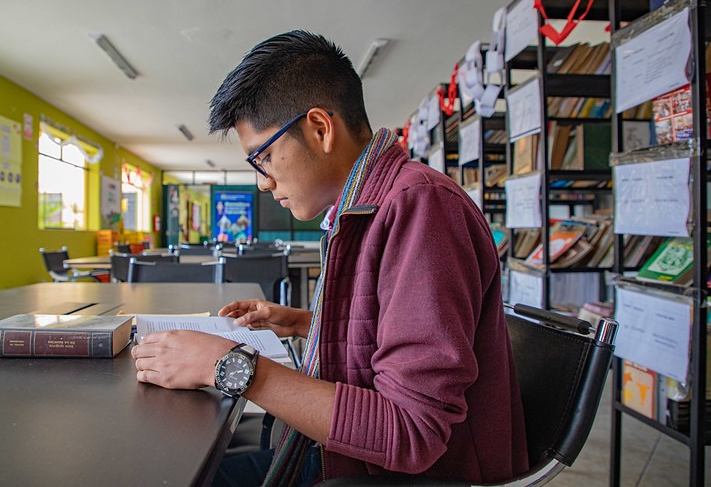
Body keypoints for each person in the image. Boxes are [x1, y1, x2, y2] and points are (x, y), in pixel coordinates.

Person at [131, 30, 528, 486]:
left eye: (262, 157)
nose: (262, 182)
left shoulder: (420, 206)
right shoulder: (370, 205)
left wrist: (227, 365)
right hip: (344, 460)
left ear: (320, 129)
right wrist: (304, 321)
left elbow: (411, 432)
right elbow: (394, 329)